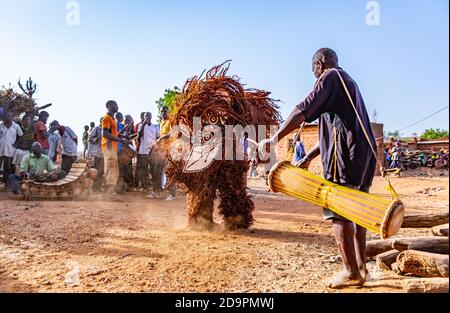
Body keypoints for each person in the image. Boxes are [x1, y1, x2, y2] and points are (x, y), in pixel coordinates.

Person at [259, 48, 376, 288]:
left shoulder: (331, 77)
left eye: (313, 70)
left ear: (319, 64)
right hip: (363, 156)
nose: (314, 75)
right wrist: (310, 156)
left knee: (338, 208)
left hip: (347, 157)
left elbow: (303, 108)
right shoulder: (346, 85)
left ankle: (350, 271)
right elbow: (335, 132)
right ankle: (361, 268)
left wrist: (275, 138)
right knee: (358, 210)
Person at [102, 100, 127, 195]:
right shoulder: (107, 118)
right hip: (109, 148)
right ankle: (108, 194)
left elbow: (114, 134)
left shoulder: (112, 120)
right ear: (109, 106)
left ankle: (109, 193)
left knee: (113, 170)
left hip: (112, 148)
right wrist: (120, 140)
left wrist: (124, 137)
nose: (117, 107)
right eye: (115, 105)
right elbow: (105, 133)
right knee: (111, 170)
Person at [137, 112, 160, 198]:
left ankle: (155, 190)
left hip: (153, 151)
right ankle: (145, 188)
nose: (146, 117)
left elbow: (158, 137)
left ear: (151, 117)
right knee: (143, 170)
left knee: (154, 171)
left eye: (148, 116)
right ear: (143, 117)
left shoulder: (155, 126)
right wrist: (143, 124)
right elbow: (138, 136)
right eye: (145, 116)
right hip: (143, 152)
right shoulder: (141, 126)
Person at [0, 112, 23, 186]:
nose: (8, 118)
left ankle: (7, 184)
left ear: (12, 117)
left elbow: (21, 136)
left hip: (10, 150)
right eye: (7, 116)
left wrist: (17, 143)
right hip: (1, 149)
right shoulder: (1, 125)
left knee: (8, 167)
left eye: (10, 116)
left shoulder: (16, 126)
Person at [158, 106, 175, 200]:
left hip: (171, 149)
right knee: (163, 170)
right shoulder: (161, 122)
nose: (163, 113)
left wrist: (161, 137)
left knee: (169, 171)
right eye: (161, 111)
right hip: (164, 149)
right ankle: (166, 190)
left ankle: (171, 194)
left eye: (165, 111)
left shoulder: (171, 121)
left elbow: (173, 133)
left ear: (168, 112)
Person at [88, 118, 104, 191]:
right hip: (96, 153)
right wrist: (98, 138)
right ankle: (94, 187)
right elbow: (90, 139)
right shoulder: (97, 128)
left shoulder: (106, 129)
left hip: (103, 153)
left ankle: (98, 187)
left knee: (101, 171)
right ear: (100, 121)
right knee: (95, 171)